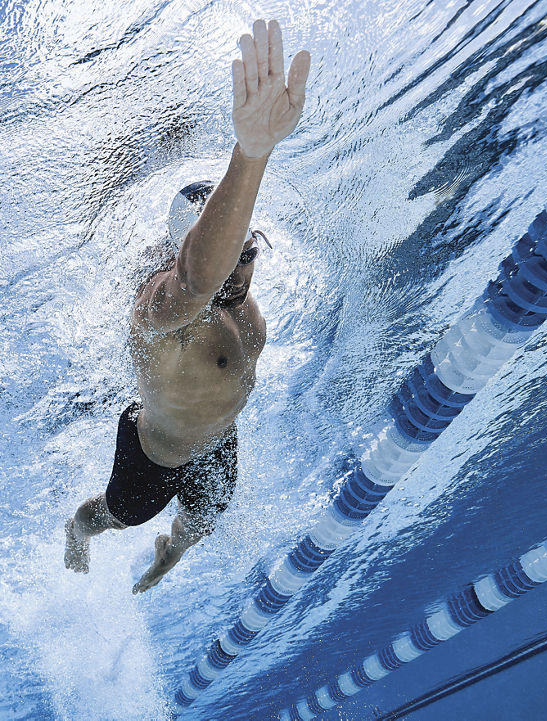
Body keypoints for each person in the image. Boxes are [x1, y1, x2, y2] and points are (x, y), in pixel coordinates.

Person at [64, 19, 311, 594]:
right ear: (191, 252)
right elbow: (197, 280)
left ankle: (168, 553)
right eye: (231, 253)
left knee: (205, 520)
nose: (241, 266)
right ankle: (77, 530)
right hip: (156, 454)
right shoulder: (163, 308)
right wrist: (252, 153)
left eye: (248, 251)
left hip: (220, 438)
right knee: (117, 517)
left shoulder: (244, 308)